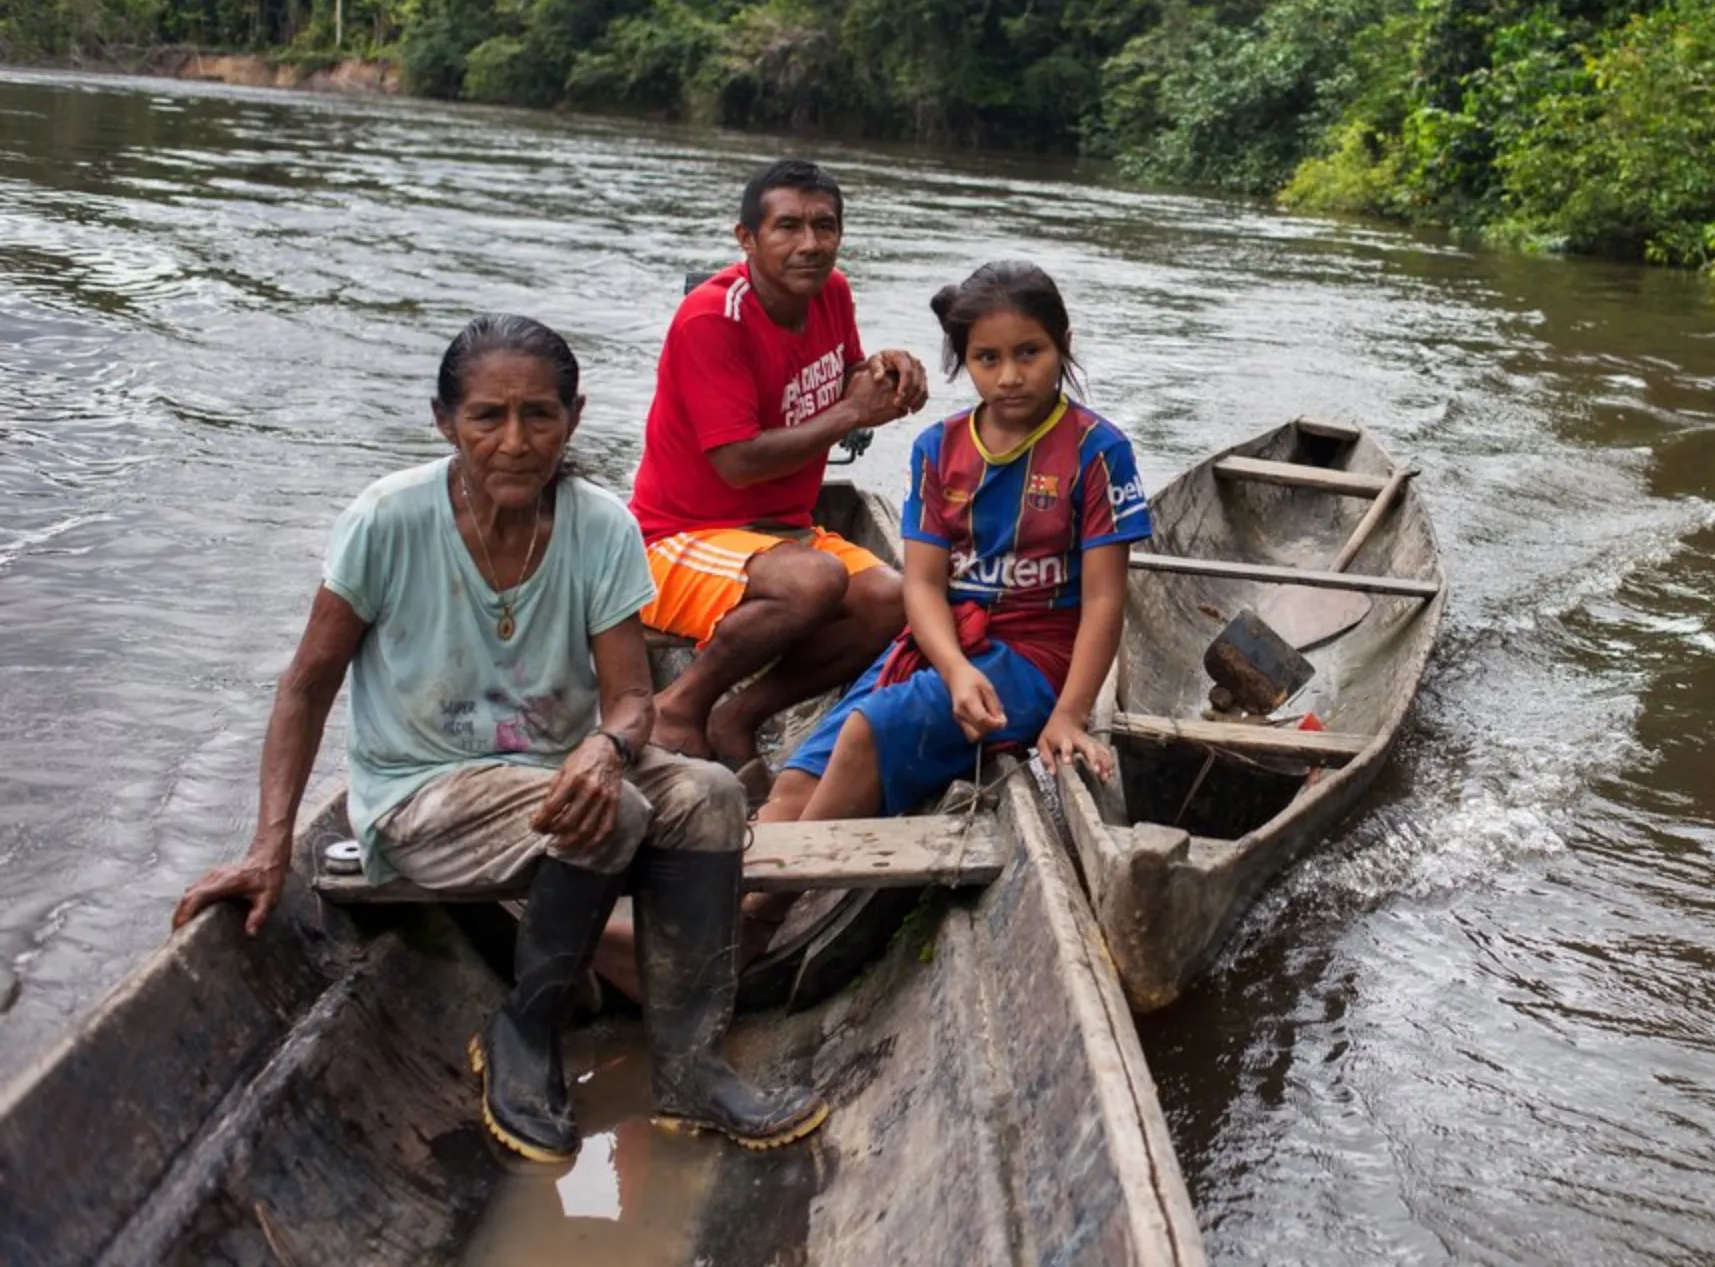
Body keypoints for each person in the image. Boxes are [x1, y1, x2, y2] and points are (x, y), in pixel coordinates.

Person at [173, 314, 825, 1163]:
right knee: (616, 814)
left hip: (555, 781)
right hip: (421, 792)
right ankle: (525, 1034)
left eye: (539, 417)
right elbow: (305, 685)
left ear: (574, 419)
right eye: (487, 417)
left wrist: (607, 746)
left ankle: (691, 1070)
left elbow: (632, 699)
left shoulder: (599, 527)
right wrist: (267, 848)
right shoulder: (388, 520)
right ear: (446, 422)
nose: (514, 442)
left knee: (706, 794)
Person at [747, 261, 1151, 921]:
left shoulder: (1097, 451)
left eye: (1030, 353)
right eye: (987, 358)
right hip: (944, 645)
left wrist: (1070, 714)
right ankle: (747, 891)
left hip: (1035, 655)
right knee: (795, 781)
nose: (1010, 376)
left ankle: (757, 919)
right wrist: (956, 670)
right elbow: (925, 589)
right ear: (965, 361)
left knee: (865, 734)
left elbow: (1106, 600)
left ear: (1063, 344)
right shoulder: (939, 448)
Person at [630, 158, 929, 766]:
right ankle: (679, 707)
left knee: (898, 601)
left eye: (825, 227)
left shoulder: (831, 292)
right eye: (788, 227)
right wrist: (852, 414)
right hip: (674, 541)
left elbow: (838, 376)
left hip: (784, 534)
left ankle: (738, 716)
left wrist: (880, 371)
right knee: (815, 579)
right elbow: (737, 463)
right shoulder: (713, 319)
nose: (811, 245)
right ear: (747, 239)